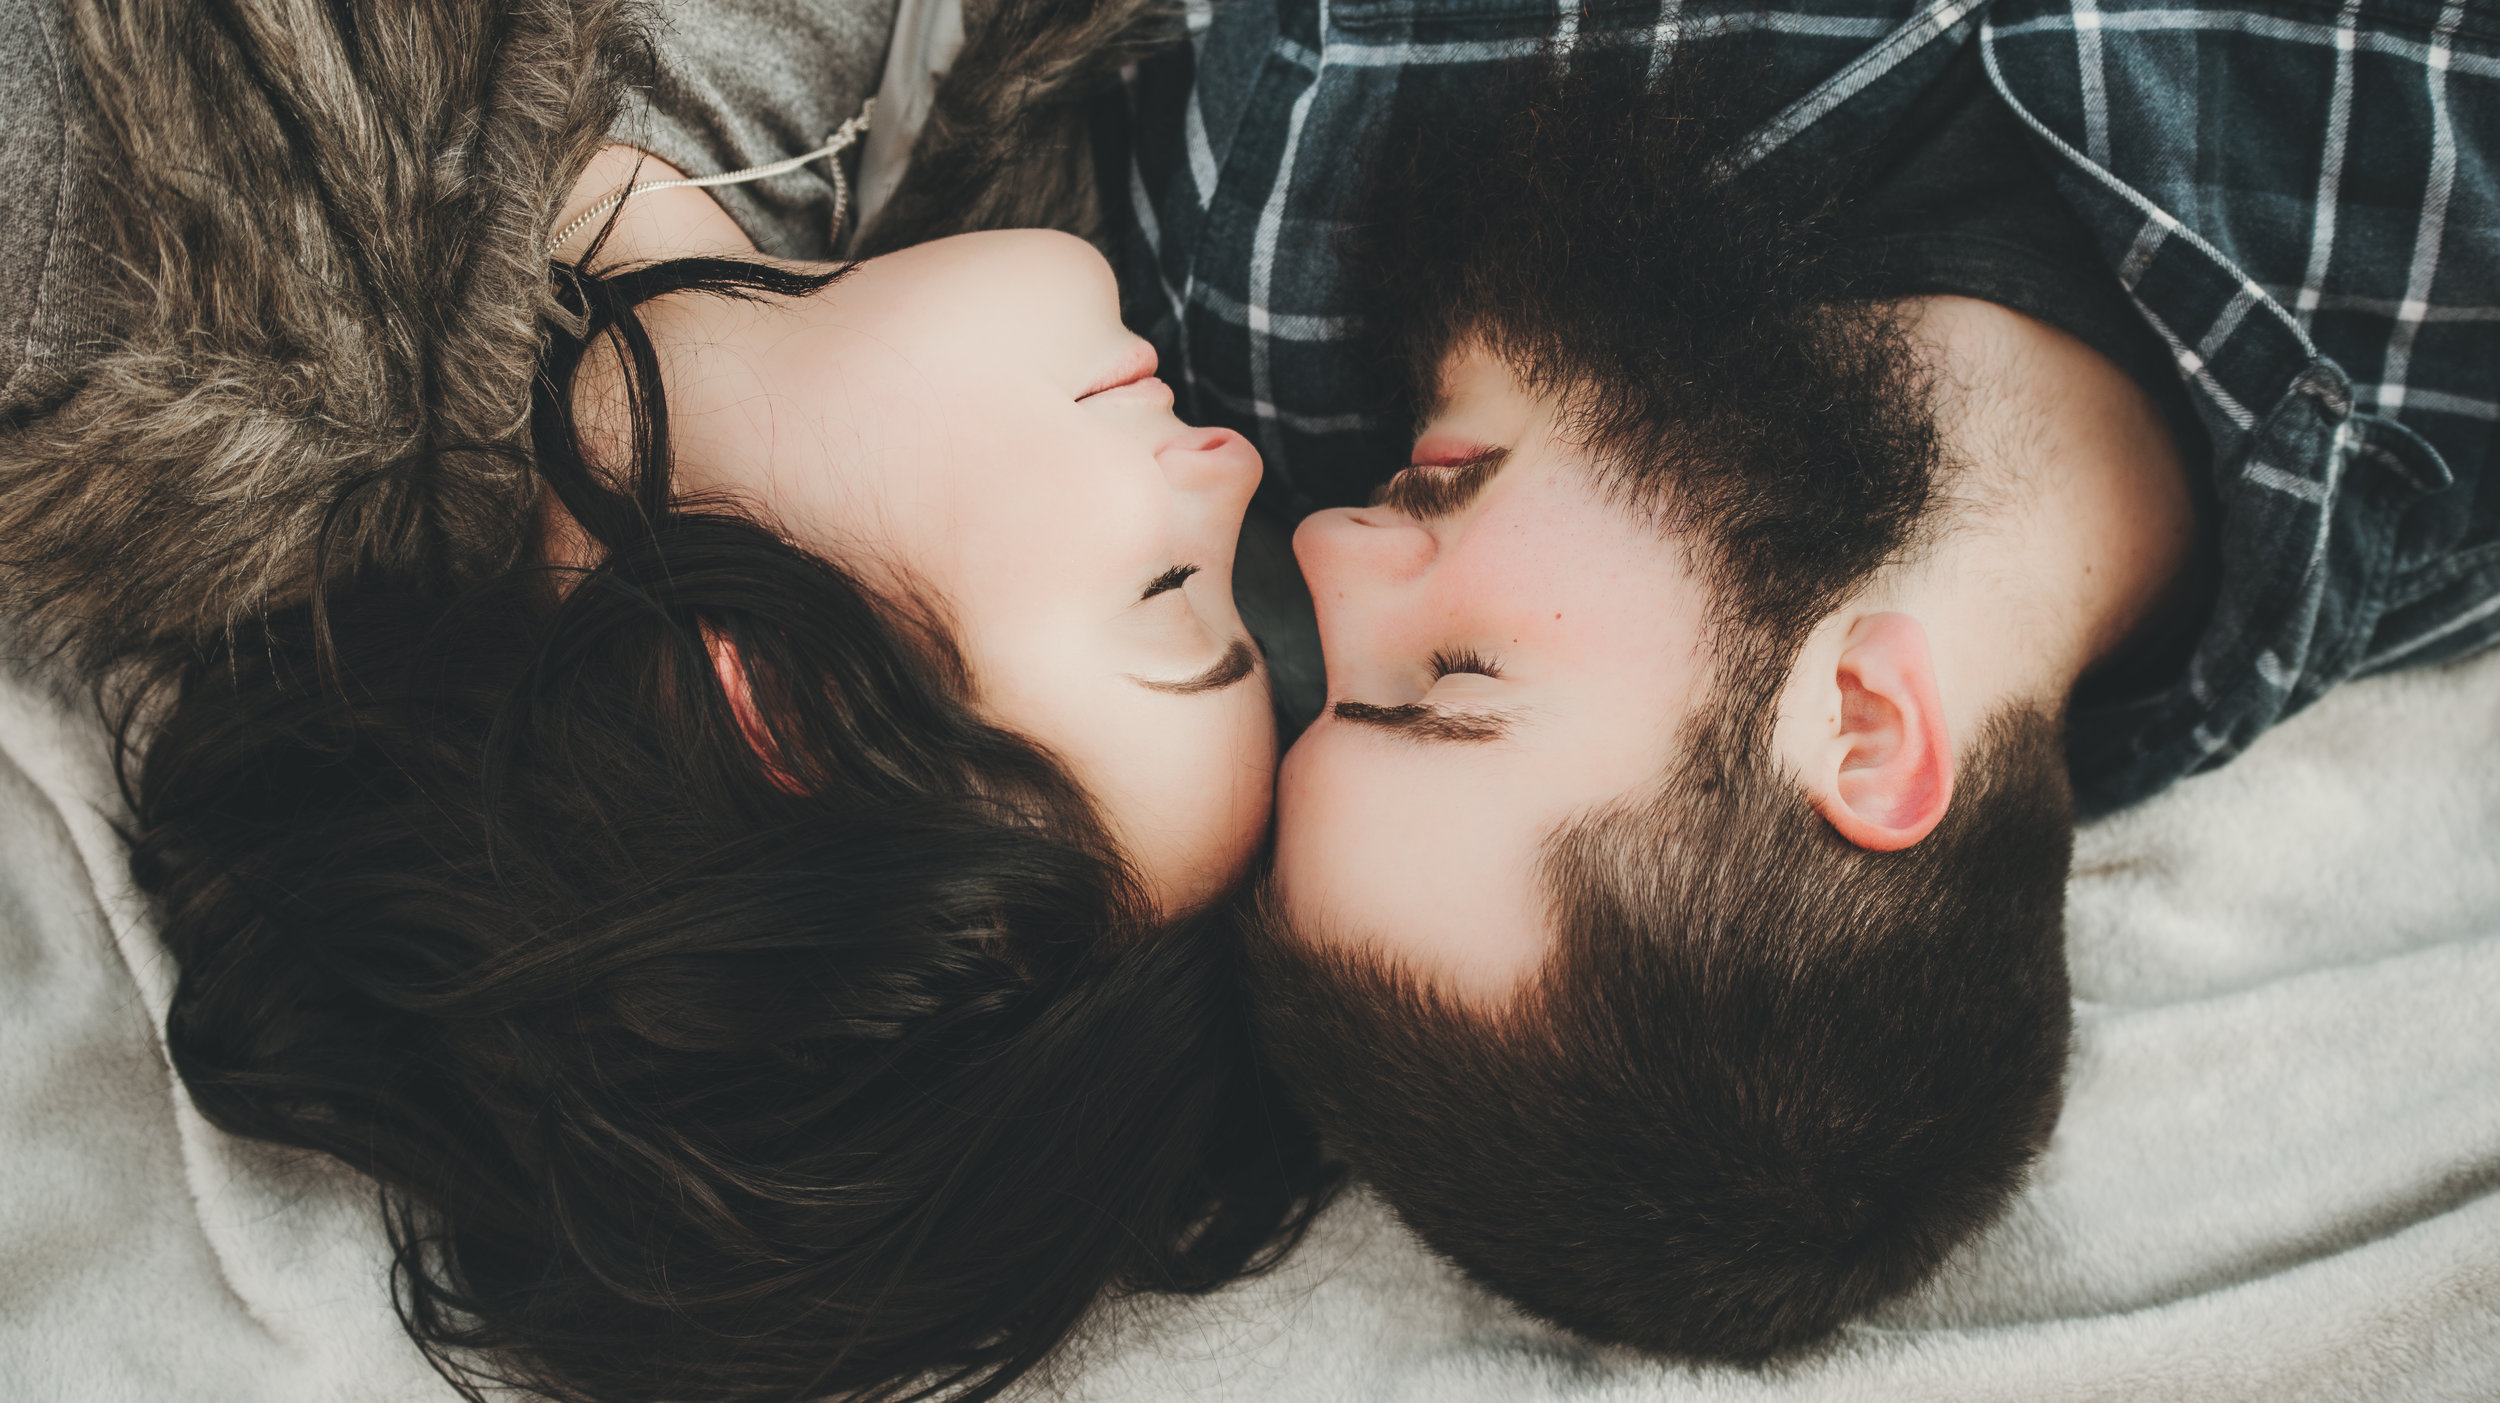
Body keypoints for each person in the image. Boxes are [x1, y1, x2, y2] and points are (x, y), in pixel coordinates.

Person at [1100, 0, 2500, 1364]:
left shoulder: (1262, 262)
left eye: (1336, 691)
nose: (1333, 550)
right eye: (1449, 683)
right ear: (1865, 729)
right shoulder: (2459, 357)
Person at [0, 2, 1328, 1401]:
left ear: (791, 713)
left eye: (1172, 591)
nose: (1235, 474)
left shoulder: (103, 247)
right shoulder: (862, 126)